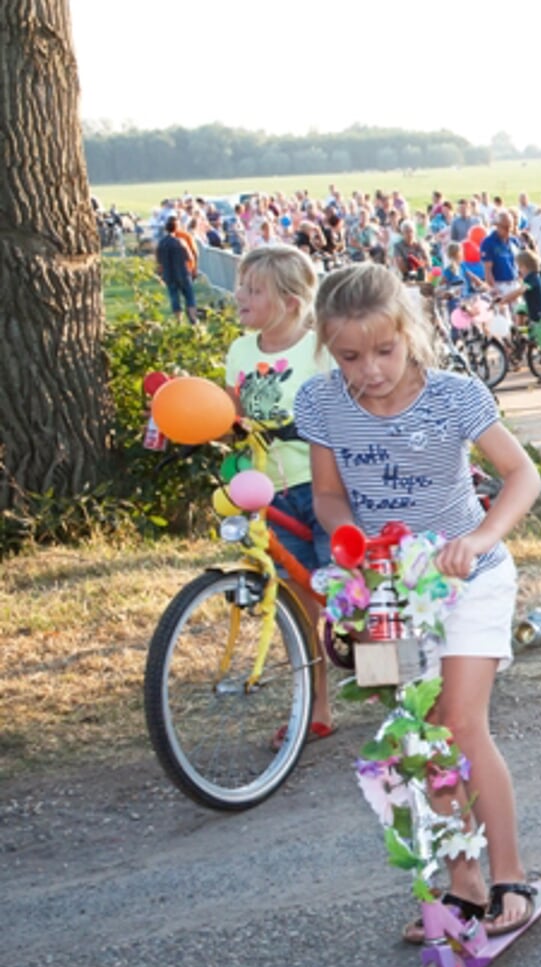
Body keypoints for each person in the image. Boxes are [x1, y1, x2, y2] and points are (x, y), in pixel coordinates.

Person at [295, 264, 541, 940]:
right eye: (349, 355)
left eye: (384, 351)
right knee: (416, 729)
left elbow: (522, 477)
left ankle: (508, 873)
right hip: (384, 587)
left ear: (409, 333)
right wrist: (353, 547)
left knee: (460, 721)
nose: (369, 369)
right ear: (325, 344)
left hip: (471, 576)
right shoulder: (320, 403)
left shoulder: (455, 397)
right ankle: (462, 882)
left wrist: (481, 534)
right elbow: (327, 494)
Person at [225, 245, 337, 739]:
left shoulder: (321, 351)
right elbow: (231, 416)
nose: (240, 295)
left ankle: (394, 687)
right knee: (299, 605)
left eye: (254, 289)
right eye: (241, 285)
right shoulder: (240, 352)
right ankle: (318, 708)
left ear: (292, 301)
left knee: (349, 594)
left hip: (324, 489)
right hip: (268, 494)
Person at [505, 249, 541, 382]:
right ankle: (522, 332)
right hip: (533, 309)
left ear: (525, 266)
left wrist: (505, 299)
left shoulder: (533, 279)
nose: (519, 270)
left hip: (540, 316)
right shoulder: (532, 277)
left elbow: (519, 291)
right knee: (520, 308)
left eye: (519, 267)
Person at [155, 216, 197, 322]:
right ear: (176, 228)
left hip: (169, 274)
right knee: (189, 296)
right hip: (183, 272)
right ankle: (193, 318)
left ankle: (178, 320)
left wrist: (160, 274)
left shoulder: (161, 243)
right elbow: (190, 257)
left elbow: (159, 262)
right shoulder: (181, 242)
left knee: (174, 297)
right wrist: (192, 269)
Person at [479, 211, 519, 300]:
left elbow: (519, 264)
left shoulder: (514, 241)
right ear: (497, 226)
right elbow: (488, 269)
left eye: (510, 227)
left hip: (514, 282)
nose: (508, 230)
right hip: (499, 284)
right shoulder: (488, 243)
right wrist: (494, 289)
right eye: (505, 227)